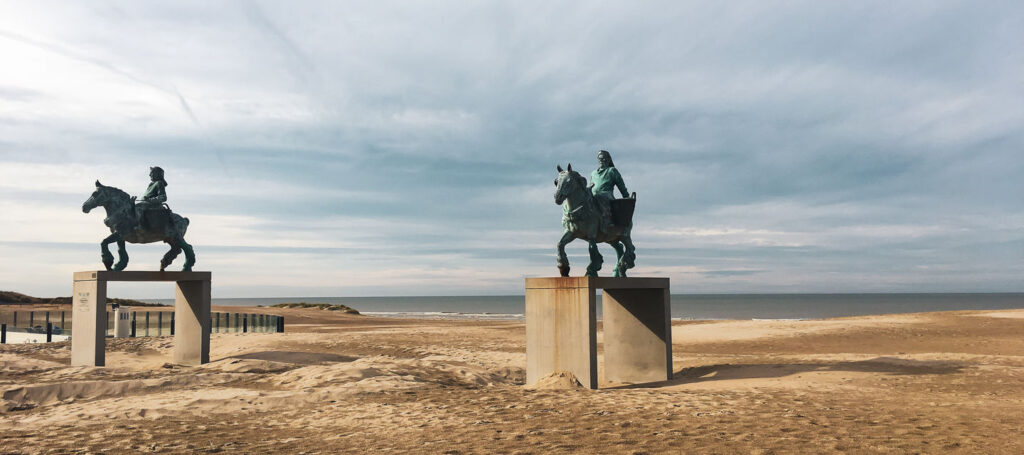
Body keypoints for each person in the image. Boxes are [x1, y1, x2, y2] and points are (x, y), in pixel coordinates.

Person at [590, 150, 628, 226]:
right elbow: (590, 186)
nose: (601, 160)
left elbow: (621, 184)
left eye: (603, 158)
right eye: (599, 158)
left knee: (598, 195)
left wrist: (626, 196)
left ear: (608, 159)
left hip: (607, 195)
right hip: (594, 195)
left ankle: (607, 219)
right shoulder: (593, 173)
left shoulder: (612, 171)